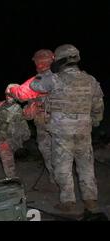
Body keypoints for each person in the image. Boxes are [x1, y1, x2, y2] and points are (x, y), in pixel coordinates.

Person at [29, 44, 104, 213]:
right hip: (84, 131)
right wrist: (94, 121)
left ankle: (68, 201)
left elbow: (34, 86)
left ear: (60, 60)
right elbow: (98, 105)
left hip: (61, 133)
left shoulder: (55, 79)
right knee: (86, 166)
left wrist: (47, 72)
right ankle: (91, 200)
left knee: (63, 167)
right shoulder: (90, 80)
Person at [8, 49, 57, 186]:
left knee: (47, 150)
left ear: (39, 62)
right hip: (64, 123)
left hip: (45, 123)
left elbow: (21, 94)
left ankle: (56, 179)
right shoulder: (62, 77)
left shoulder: (39, 80)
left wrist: (11, 88)